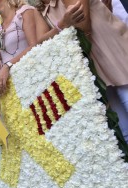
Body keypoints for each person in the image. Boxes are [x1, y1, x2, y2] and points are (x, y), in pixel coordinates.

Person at [34, 0, 128, 142]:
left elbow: (84, 25)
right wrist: (63, 25)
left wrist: (57, 32)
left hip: (108, 49)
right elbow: (39, 43)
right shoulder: (41, 10)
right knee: (122, 127)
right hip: (90, 62)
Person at [0, 0, 38, 98]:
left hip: (33, 78)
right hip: (14, 90)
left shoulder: (25, 13)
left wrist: (8, 65)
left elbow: (34, 46)